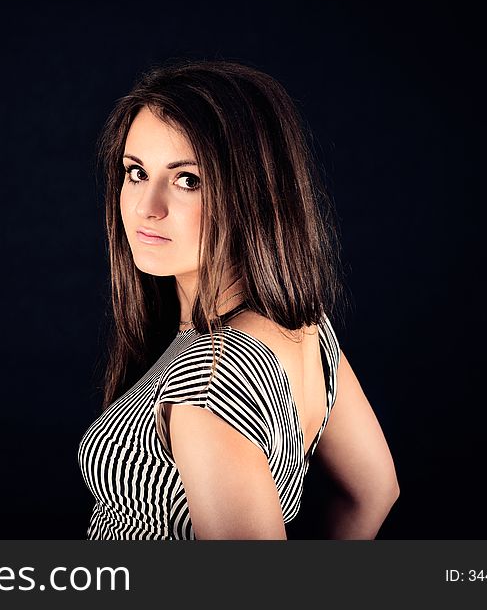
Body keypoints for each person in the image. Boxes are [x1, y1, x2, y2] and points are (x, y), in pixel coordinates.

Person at [77, 59, 399, 539]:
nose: (147, 207)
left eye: (188, 179)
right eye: (136, 172)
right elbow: (372, 490)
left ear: (255, 192)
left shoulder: (209, 380)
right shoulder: (306, 327)